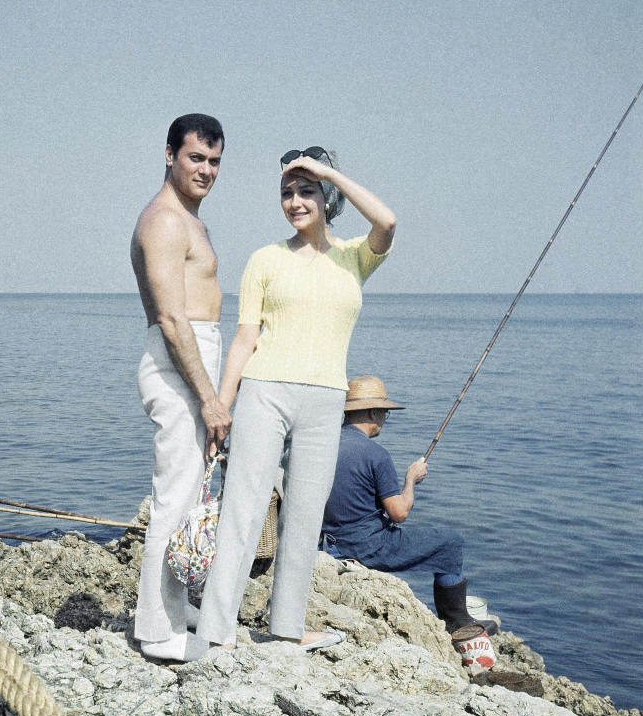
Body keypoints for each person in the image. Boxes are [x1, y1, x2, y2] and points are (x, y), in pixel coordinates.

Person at [196, 147, 395, 653]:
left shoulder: (354, 258)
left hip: (326, 399)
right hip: (264, 392)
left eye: (306, 191)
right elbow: (244, 338)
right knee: (243, 510)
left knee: (305, 517)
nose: (294, 201)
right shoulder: (265, 259)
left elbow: (388, 220)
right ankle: (217, 631)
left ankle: (286, 626)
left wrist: (326, 170)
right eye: (287, 192)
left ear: (327, 196)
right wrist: (221, 405)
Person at [131, 113, 232, 662]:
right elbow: (173, 320)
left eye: (215, 161)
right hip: (178, 363)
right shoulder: (166, 221)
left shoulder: (189, 218)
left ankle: (175, 611)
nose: (206, 170)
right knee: (174, 496)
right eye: (196, 157)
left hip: (193, 359)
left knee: (192, 493)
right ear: (170, 154)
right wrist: (211, 399)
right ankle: (156, 630)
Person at [320, 375, 499, 636]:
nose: (383, 419)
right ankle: (456, 621)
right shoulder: (375, 454)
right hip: (365, 547)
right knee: (450, 542)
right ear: (373, 412)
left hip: (328, 543)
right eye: (384, 413)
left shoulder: (323, 444)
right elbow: (399, 512)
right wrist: (411, 480)